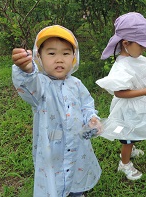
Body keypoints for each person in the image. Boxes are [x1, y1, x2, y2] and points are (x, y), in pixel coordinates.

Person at [12, 25, 101, 197]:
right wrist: (26, 70)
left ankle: (76, 193)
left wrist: (92, 118)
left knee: (77, 175)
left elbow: (87, 105)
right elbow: (27, 86)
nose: (59, 59)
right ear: (39, 57)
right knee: (54, 182)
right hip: (52, 149)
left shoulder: (76, 84)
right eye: (51, 53)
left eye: (66, 53)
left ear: (74, 58)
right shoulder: (40, 85)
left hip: (78, 146)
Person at [96, 12, 146, 180]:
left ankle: (131, 150)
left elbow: (136, 77)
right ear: (126, 44)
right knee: (127, 136)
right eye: (141, 46)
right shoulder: (121, 67)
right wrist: (145, 91)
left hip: (136, 108)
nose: (144, 49)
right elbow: (119, 92)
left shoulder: (135, 59)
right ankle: (124, 164)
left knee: (134, 131)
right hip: (127, 109)